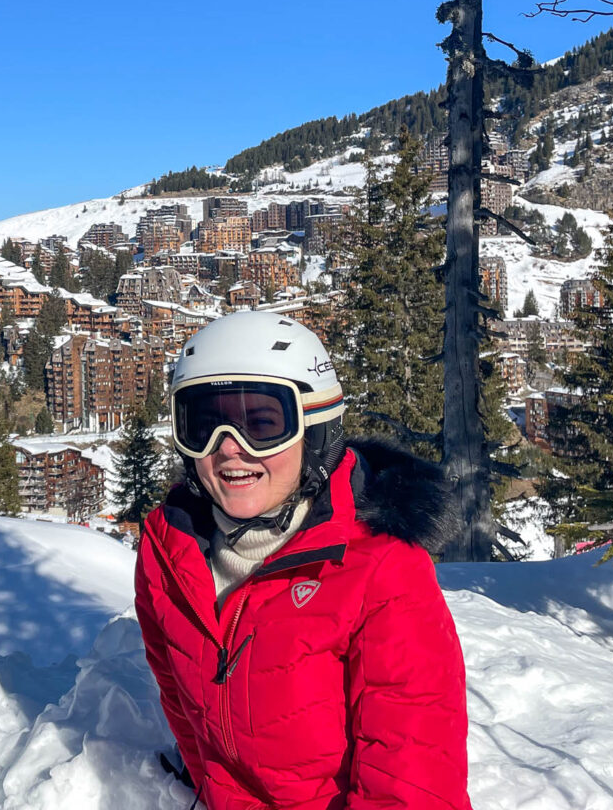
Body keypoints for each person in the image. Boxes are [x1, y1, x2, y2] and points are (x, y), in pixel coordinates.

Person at [134, 310, 471, 810]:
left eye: (261, 424)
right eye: (203, 425)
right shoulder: (168, 552)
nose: (230, 451)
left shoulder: (378, 569)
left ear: (315, 431)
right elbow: (180, 703)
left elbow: (411, 778)